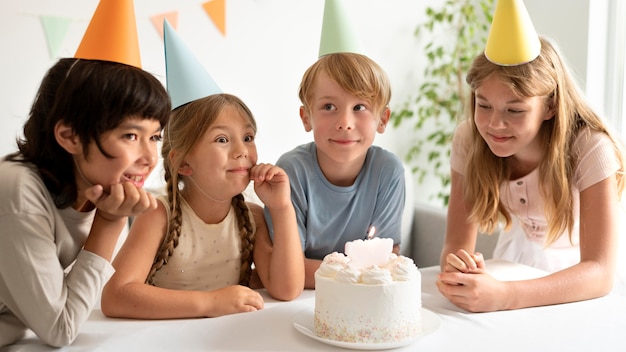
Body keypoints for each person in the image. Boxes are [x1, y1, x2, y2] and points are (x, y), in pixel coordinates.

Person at [437, 36, 626, 312]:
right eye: (484, 104)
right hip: (516, 265)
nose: (494, 124)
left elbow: (600, 271)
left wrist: (504, 296)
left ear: (550, 106)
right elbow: (456, 243)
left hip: (581, 282)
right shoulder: (469, 139)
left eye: (514, 110)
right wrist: (461, 270)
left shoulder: (590, 147)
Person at [0, 57, 171, 346]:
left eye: (154, 136)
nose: (150, 158)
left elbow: (82, 301)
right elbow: (60, 329)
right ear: (70, 136)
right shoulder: (17, 189)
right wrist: (110, 222)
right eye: (130, 135)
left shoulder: (103, 189)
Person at [100, 93, 304, 319]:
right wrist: (209, 303)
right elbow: (115, 296)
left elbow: (286, 290)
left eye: (248, 137)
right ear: (184, 162)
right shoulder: (158, 215)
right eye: (222, 140)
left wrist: (282, 208)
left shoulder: (252, 216)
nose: (242, 151)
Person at [265, 52, 406, 289]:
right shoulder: (291, 172)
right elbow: (288, 270)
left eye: (359, 106)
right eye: (329, 106)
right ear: (306, 117)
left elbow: (387, 259)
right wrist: (359, 272)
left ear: (382, 119)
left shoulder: (388, 171)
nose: (345, 122)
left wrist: (323, 272)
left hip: (364, 300)